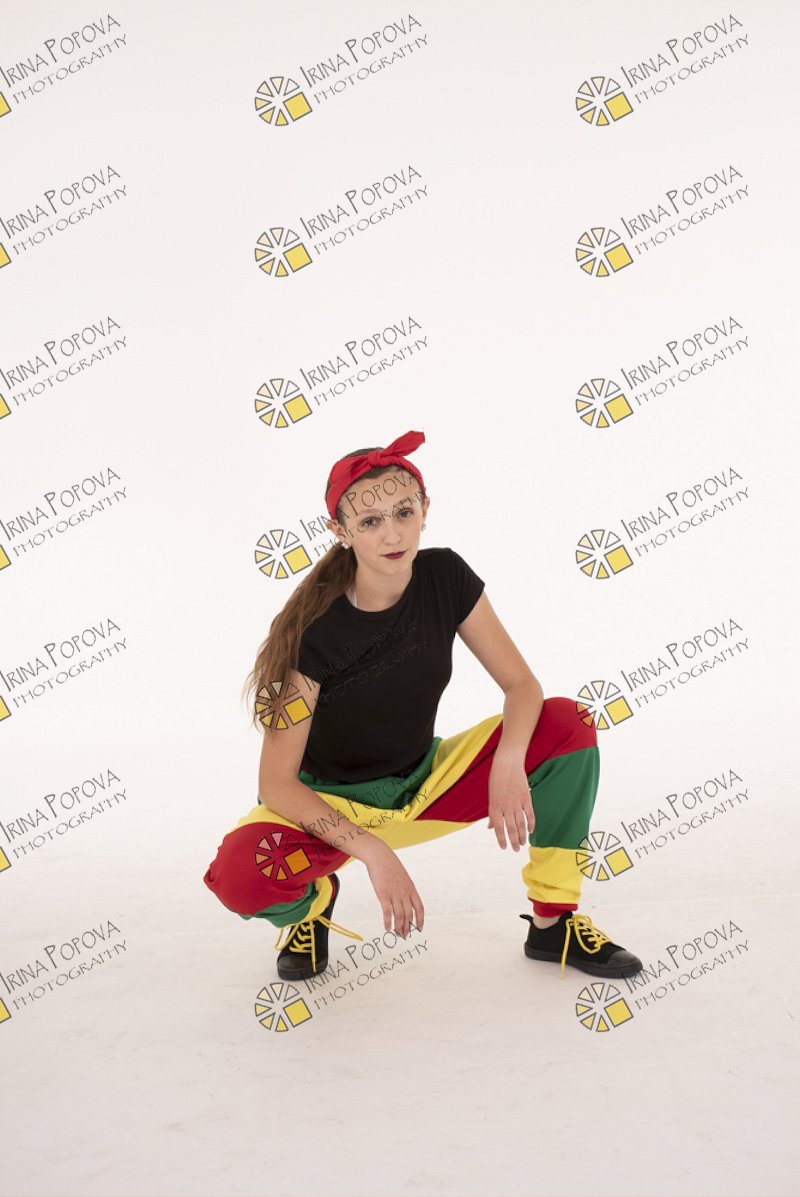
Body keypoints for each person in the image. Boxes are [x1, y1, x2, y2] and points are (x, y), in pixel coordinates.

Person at [203, 429, 643, 983]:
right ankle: (313, 907)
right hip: (331, 809)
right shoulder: (313, 632)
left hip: (424, 785)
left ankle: (553, 924)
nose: (392, 533)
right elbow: (276, 784)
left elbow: (521, 686)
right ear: (340, 531)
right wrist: (373, 852)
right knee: (241, 874)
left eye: (403, 512)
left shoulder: (445, 576)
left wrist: (509, 761)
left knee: (566, 723)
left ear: (425, 511)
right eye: (369, 521)